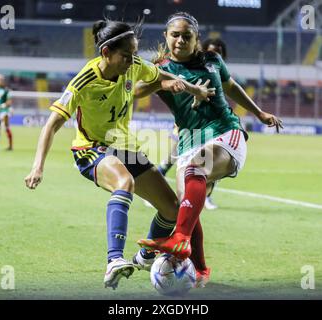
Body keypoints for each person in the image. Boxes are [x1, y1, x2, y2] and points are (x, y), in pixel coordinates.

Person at [24, 19, 214, 290]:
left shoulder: (133, 66)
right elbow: (51, 123)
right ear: (106, 53)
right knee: (125, 183)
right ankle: (113, 260)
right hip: (92, 149)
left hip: (126, 148)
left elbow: (163, 76)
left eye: (134, 54)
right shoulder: (83, 81)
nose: (132, 61)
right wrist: (37, 167)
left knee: (171, 209)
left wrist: (194, 90)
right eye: (126, 55)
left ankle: (145, 256)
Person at [135, 12, 283, 286]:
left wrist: (259, 112)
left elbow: (231, 86)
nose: (180, 40)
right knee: (184, 207)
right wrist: (164, 83)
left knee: (196, 170)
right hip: (189, 141)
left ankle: (179, 239)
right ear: (166, 37)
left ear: (196, 38)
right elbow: (135, 91)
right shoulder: (159, 68)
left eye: (186, 35)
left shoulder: (213, 61)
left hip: (225, 133)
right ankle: (201, 270)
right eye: (175, 35)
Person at [154, 38, 230, 211]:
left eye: (219, 51)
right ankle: (157, 189)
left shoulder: (216, 69)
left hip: (210, 126)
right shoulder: (194, 68)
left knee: (209, 163)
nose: (216, 53)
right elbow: (185, 101)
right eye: (212, 50)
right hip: (188, 125)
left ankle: (205, 197)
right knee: (171, 160)